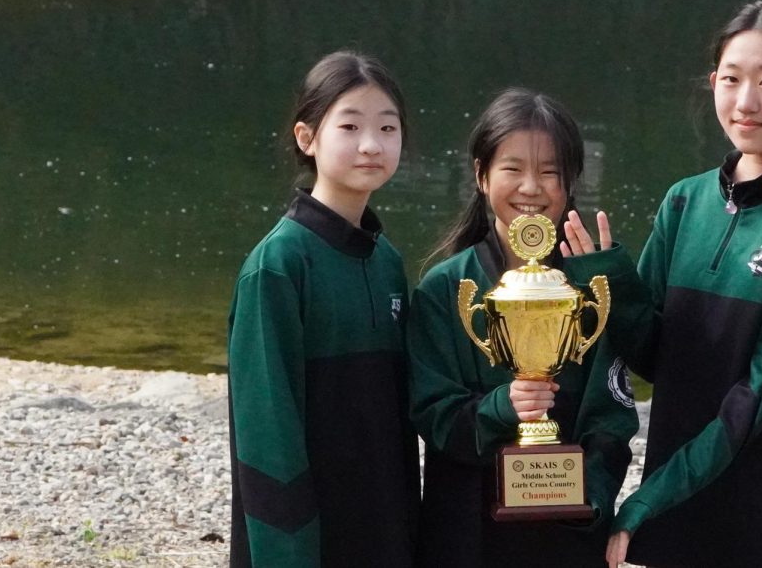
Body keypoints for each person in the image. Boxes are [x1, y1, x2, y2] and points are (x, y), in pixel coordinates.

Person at [602, 0, 762, 567]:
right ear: (713, 82)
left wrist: (652, 497)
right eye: (731, 79)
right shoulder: (684, 201)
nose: (745, 103)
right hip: (682, 477)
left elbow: (760, 393)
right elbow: (654, 356)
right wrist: (606, 284)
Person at [407, 88, 640, 568]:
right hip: (466, 528)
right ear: (481, 175)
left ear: (570, 182)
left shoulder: (591, 286)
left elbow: (611, 417)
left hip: (567, 533)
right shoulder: (445, 288)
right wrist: (501, 407)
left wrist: (588, 500)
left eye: (549, 172)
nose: (531, 188)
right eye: (512, 169)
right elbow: (430, 412)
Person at [227, 51, 419, 567]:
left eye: (387, 127)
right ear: (306, 138)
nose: (371, 145)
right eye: (349, 126)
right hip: (307, 535)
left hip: (384, 520)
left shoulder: (387, 262)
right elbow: (266, 432)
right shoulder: (278, 265)